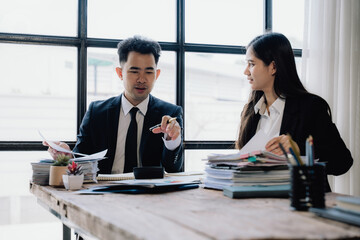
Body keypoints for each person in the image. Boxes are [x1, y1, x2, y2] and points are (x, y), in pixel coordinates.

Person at [44, 35, 183, 174]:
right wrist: (68, 156)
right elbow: (81, 158)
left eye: (149, 72)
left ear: (157, 75)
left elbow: (173, 170)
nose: (142, 79)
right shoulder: (96, 112)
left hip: (151, 193)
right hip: (104, 191)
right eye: (134, 71)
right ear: (120, 73)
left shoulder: (170, 115)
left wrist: (172, 142)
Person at [236, 32, 353, 192]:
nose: (246, 71)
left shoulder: (311, 107)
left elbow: (342, 162)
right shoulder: (250, 110)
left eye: (252, 64)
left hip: (302, 205)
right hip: (258, 204)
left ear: (273, 67)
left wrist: (299, 150)